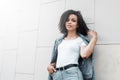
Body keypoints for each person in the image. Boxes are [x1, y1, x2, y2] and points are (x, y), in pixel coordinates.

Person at [47, 9, 97, 80]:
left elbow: (84, 55)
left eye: (73, 20)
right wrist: (49, 67)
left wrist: (94, 37)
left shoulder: (80, 40)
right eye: (67, 20)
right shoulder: (59, 41)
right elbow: (54, 61)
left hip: (72, 74)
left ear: (77, 25)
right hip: (57, 74)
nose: (69, 22)